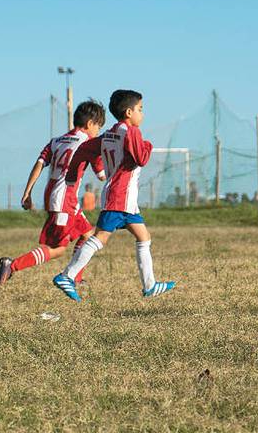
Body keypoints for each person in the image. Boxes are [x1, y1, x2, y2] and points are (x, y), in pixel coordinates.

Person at [52, 90, 176, 301]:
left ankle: (150, 285)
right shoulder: (132, 131)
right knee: (100, 237)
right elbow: (141, 157)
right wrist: (148, 145)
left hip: (123, 198)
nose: (142, 114)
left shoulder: (109, 133)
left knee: (143, 237)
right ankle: (67, 275)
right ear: (129, 112)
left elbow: (83, 150)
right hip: (120, 197)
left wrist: (72, 175)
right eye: (140, 109)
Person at [0, 99, 106, 290]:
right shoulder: (88, 144)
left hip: (57, 197)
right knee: (57, 249)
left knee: (87, 234)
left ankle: (75, 278)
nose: (98, 131)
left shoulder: (56, 141)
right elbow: (103, 176)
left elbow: (39, 163)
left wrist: (27, 192)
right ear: (90, 124)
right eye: (98, 127)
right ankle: (11, 265)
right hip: (64, 201)